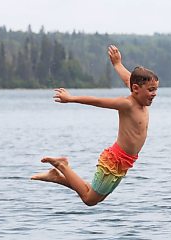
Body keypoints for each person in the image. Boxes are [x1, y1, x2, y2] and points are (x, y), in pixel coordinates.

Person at [31, 45, 159, 206]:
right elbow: (97, 101)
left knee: (94, 196)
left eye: (156, 90)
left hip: (125, 161)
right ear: (136, 89)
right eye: (151, 90)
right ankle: (61, 166)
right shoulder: (127, 104)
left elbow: (128, 79)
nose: (154, 94)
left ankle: (56, 176)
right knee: (89, 199)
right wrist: (71, 99)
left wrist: (117, 64)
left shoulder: (141, 99)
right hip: (115, 160)